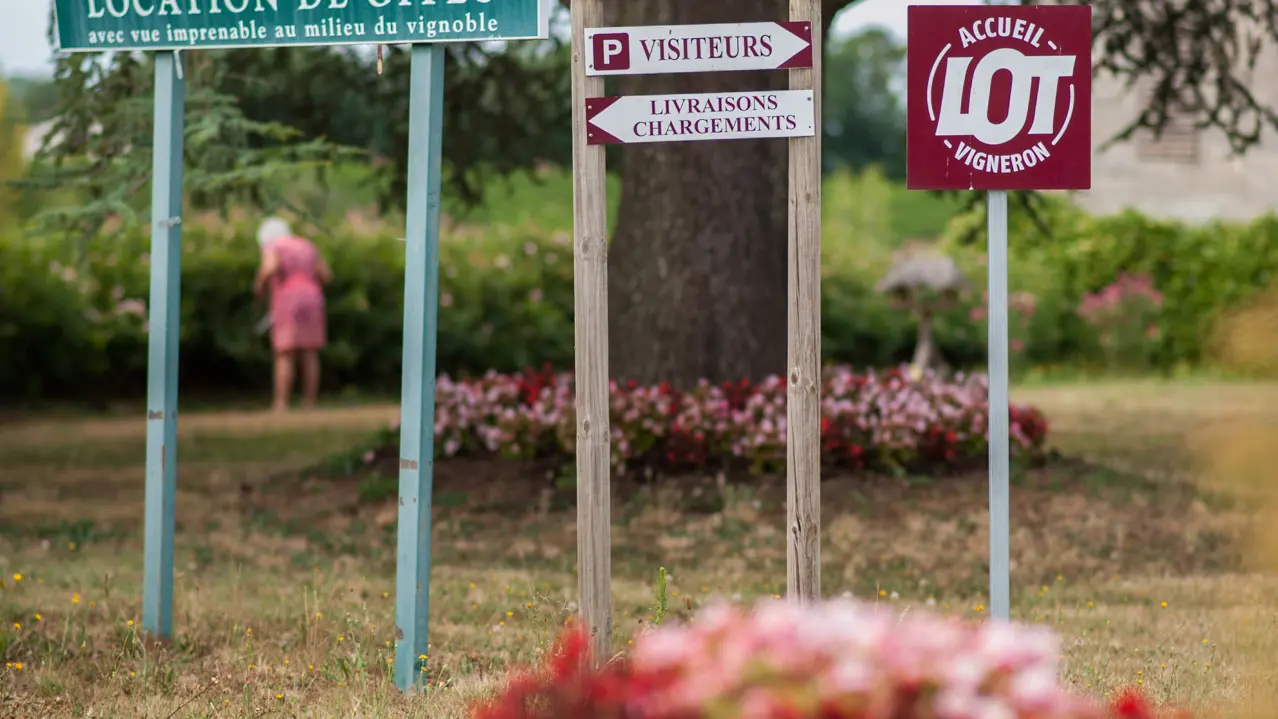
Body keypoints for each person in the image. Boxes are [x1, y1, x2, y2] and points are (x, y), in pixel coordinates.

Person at [253, 217, 332, 412]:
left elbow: (270, 267)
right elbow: (326, 275)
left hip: (287, 299)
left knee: (285, 352)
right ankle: (309, 402)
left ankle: (281, 403)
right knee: (309, 350)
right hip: (313, 297)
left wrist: (259, 286)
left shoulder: (274, 246)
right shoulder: (305, 244)